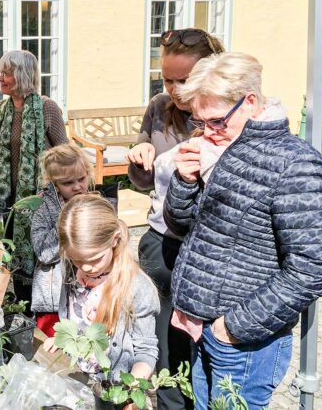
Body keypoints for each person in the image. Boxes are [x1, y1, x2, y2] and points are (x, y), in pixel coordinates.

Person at [164, 52, 322, 409]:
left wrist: (232, 328)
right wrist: (184, 180)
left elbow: (312, 269)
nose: (208, 131)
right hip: (205, 331)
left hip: (244, 345)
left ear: (251, 102)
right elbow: (182, 225)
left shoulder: (295, 162)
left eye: (216, 121)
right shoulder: (225, 146)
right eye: (200, 121)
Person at [125, 27, 223, 410]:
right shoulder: (158, 107)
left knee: (206, 351)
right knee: (166, 350)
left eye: (184, 79)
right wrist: (141, 155)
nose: (175, 88)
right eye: (167, 78)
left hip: (206, 250)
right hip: (162, 244)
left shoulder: (222, 115)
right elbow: (143, 180)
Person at [0, 49, 68, 313]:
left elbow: (65, 153)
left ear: (23, 75)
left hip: (39, 201)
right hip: (10, 201)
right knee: (13, 257)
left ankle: (44, 314)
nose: (0, 77)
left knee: (39, 260)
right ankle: (22, 311)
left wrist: (56, 186)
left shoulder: (47, 109)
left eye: (7, 72)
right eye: (0, 71)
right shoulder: (3, 109)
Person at [44, 194, 159, 410]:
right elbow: (73, 318)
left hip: (116, 387)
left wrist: (132, 393)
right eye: (78, 259)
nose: (86, 268)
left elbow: (146, 350)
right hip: (81, 379)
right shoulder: (70, 269)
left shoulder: (136, 288)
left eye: (95, 259)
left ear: (115, 240)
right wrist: (64, 340)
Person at [31, 144, 94, 337]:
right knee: (52, 350)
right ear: (54, 183)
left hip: (87, 293)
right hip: (53, 296)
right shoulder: (42, 207)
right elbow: (44, 253)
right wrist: (65, 217)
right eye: (68, 183)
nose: (77, 187)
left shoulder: (93, 202)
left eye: (82, 179)